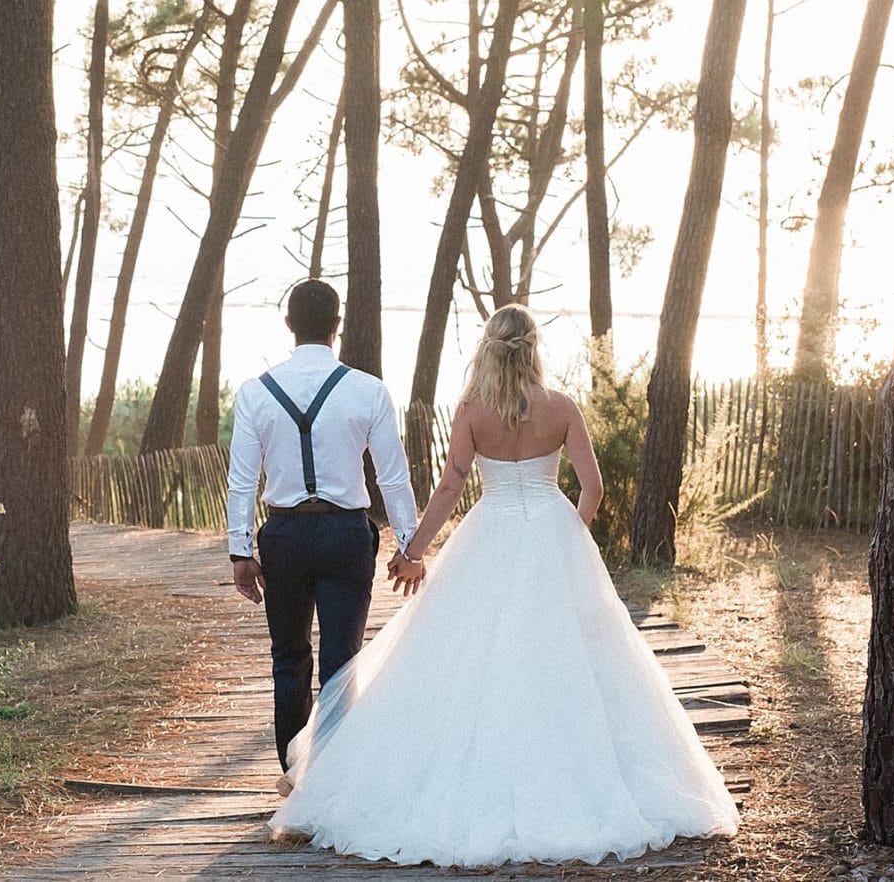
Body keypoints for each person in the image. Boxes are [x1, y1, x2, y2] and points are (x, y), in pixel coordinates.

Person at [266, 304, 739, 867]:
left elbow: (449, 488)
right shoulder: (561, 407)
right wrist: (567, 531)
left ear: (488, 347)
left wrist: (411, 550)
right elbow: (594, 486)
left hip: (487, 532)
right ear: (534, 347)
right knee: (569, 657)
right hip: (550, 531)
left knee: (469, 655)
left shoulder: (472, 410)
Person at [223, 279, 424, 778]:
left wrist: (240, 552)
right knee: (341, 662)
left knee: (288, 658)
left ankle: (295, 777)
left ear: (288, 324)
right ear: (338, 326)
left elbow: (242, 481)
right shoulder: (367, 391)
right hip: (345, 536)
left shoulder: (256, 393)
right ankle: (332, 781)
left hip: (284, 537)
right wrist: (409, 546)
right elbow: (393, 476)